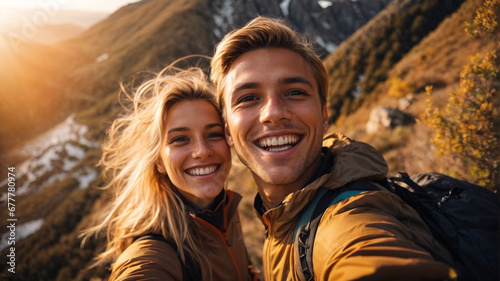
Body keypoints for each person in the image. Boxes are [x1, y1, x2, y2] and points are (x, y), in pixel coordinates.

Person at [210, 16, 457, 280]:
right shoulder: (279, 218)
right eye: (248, 98)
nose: (273, 113)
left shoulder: (348, 221)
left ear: (324, 115)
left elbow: (364, 249)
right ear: (228, 131)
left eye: (295, 92)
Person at [82, 62, 258, 281]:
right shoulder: (154, 252)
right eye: (180, 139)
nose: (202, 151)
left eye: (213, 134)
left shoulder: (223, 208)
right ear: (159, 161)